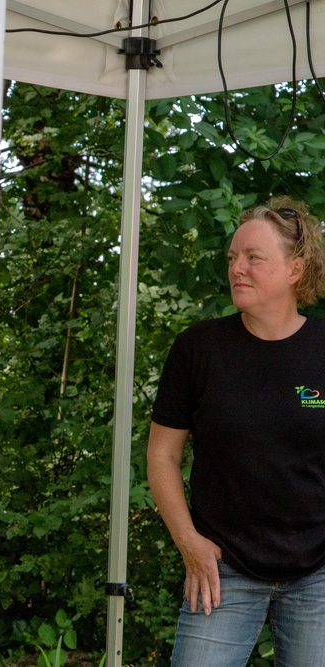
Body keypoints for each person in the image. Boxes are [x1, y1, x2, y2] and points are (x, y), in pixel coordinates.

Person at [147, 196, 325, 666]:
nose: (236, 269)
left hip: (318, 575)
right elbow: (162, 455)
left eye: (253, 258)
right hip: (221, 569)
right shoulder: (198, 348)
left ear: (295, 270)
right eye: (232, 258)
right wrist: (189, 542)